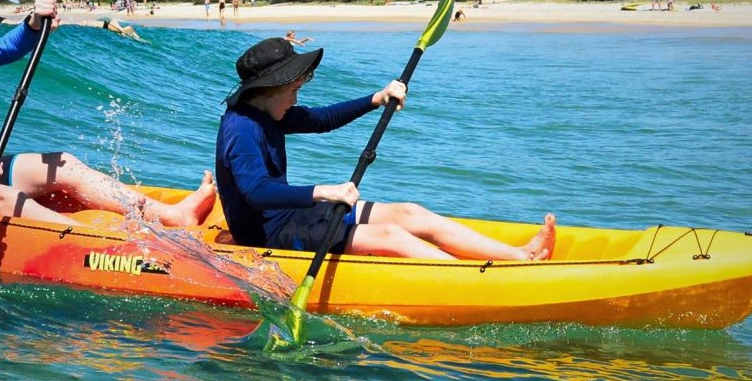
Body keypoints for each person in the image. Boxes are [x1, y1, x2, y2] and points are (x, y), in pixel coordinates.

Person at [0, 0, 214, 227]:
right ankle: (95, 244)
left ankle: (174, 217)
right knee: (4, 199)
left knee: (64, 164)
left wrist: (33, 23)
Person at [214, 38, 556, 261]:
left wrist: (377, 98)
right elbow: (256, 193)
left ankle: (519, 256)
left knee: (409, 213)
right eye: (292, 91)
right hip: (270, 235)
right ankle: (482, 280)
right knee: (391, 235)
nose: (296, 99)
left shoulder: (270, 111)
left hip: (297, 215)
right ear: (267, 90)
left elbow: (322, 120)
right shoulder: (241, 128)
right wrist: (323, 192)